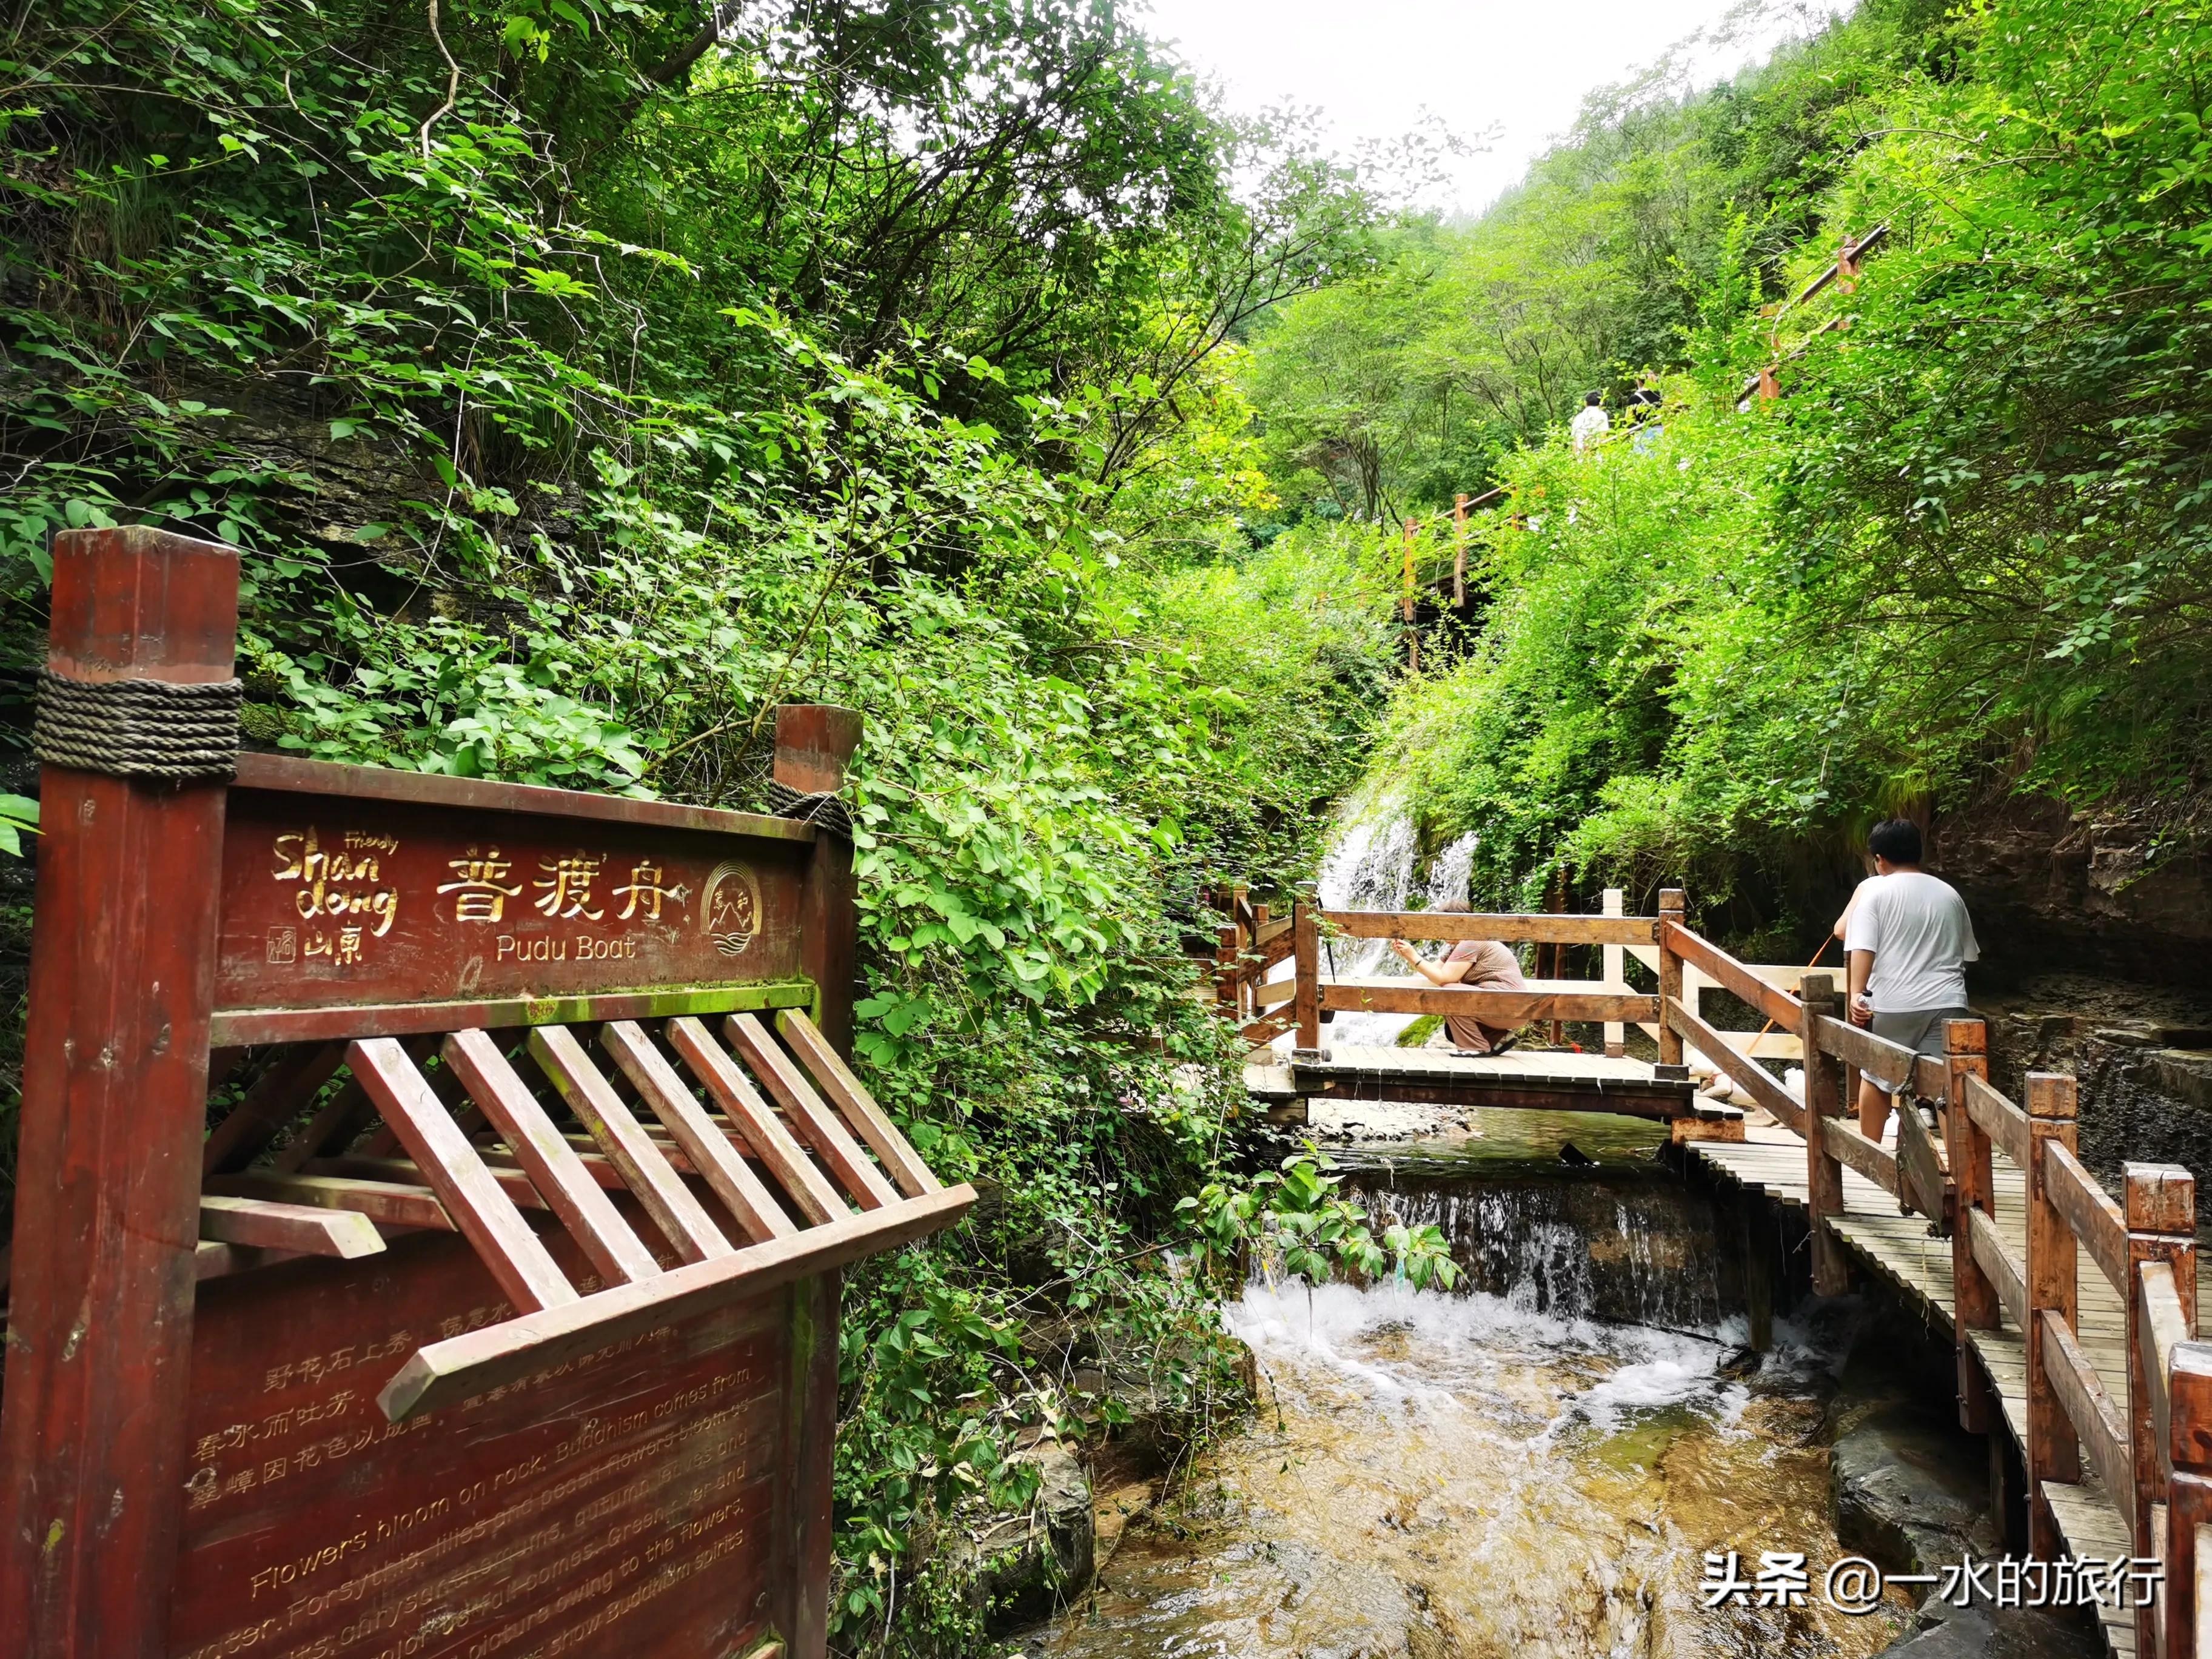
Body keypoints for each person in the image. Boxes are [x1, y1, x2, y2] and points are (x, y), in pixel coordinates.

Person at [1832, 819, 1979, 1130]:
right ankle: (1956, 1169)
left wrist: (1857, 994)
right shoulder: (1950, 894)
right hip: (1949, 1003)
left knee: (1875, 1077)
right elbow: (1968, 953)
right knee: (1945, 1087)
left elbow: (1862, 947)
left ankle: (1870, 1158)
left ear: (1880, 859)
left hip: (1896, 1004)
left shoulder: (1875, 893)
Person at [1384, 899, 1530, 1055]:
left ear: (1460, 924)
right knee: (1451, 1016)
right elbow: (1432, 972)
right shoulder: (1463, 945)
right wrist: (1408, 955)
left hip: (1508, 1007)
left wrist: (1413, 956)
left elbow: (1444, 979)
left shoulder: (1471, 942)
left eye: (1445, 926)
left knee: (1451, 993)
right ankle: (1499, 1038)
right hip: (1511, 1007)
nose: (1441, 931)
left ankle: (1475, 1048)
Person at [1570, 390, 1609, 455]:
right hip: (1595, 454)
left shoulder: (1578, 417)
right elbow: (1603, 436)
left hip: (1580, 456)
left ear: (1585, 403)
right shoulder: (1602, 415)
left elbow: (1574, 441)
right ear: (1601, 403)